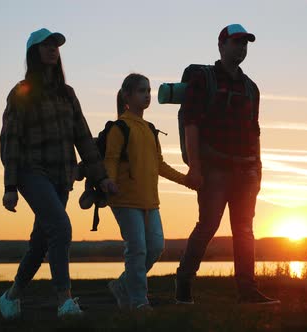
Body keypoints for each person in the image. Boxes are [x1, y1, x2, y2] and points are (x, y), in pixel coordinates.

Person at [0, 28, 117, 319]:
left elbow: (84, 138)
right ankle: (65, 301)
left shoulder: (67, 93)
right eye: (46, 45)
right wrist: (10, 185)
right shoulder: (22, 92)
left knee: (41, 243)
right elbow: (10, 140)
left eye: (56, 45)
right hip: (31, 172)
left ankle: (10, 298)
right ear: (34, 53)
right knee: (61, 228)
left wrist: (100, 177)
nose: (53, 49)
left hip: (62, 175)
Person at [175, 24, 280, 305]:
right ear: (221, 45)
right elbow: (191, 124)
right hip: (214, 168)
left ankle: (247, 290)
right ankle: (183, 283)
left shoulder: (251, 88)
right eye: (236, 42)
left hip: (246, 170)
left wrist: (258, 168)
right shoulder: (203, 79)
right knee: (208, 225)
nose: (241, 48)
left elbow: (255, 130)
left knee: (244, 229)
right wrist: (195, 167)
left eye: (245, 43)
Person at [105, 73, 195, 311]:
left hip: (150, 201)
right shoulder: (119, 127)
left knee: (155, 247)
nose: (147, 95)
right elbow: (111, 159)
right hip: (124, 199)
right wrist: (110, 181)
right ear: (127, 95)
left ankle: (122, 286)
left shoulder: (150, 129)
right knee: (137, 249)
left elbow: (160, 165)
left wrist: (186, 180)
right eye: (141, 91)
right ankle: (139, 302)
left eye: (148, 91)